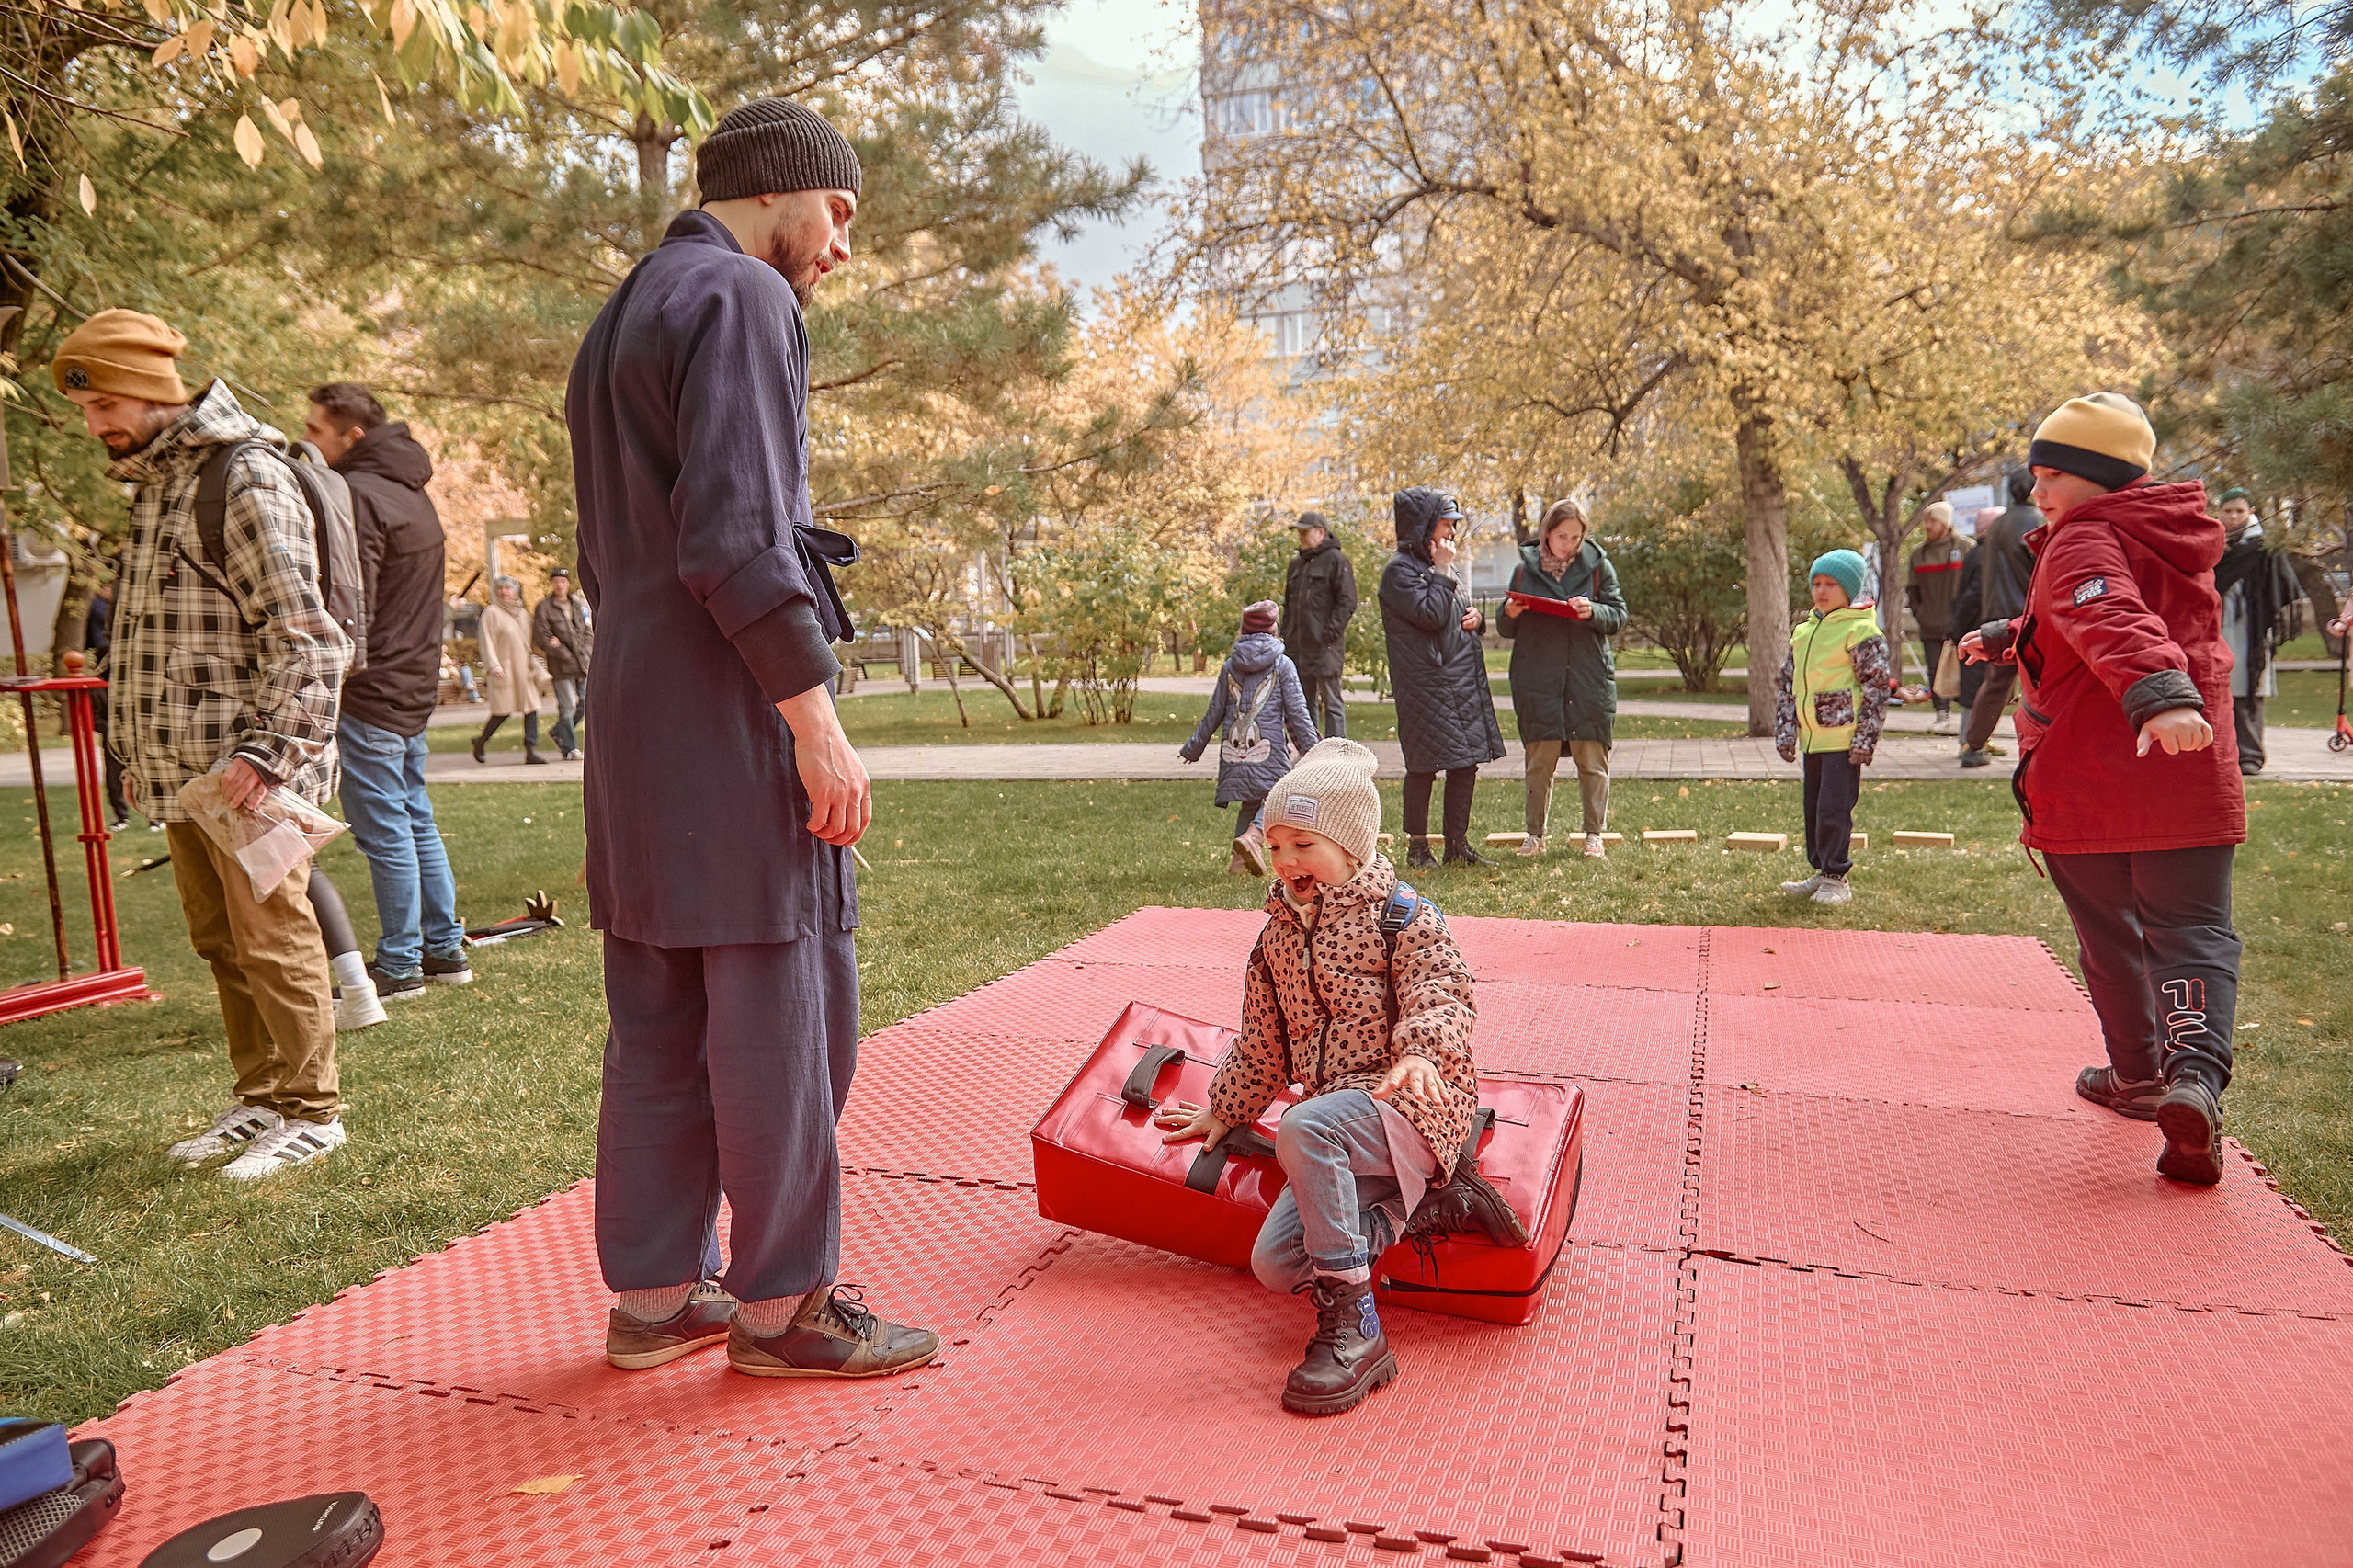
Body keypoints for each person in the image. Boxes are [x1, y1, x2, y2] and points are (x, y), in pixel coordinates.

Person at [568, 97, 936, 1378]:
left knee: (659, 1018)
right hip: (727, 718)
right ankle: (784, 1308)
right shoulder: (743, 300)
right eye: (837, 212)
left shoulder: (624, 310)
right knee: (782, 1012)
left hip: (630, 718)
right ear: (780, 187)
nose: (840, 246)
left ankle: (659, 1296)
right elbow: (736, 535)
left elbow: (618, 552)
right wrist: (817, 724)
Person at [54, 309, 353, 1178]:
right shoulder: (155, 484)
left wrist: (266, 758)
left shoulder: (246, 477)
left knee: (273, 938)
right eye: (86, 407)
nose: (96, 423)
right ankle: (261, 1097)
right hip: (184, 775)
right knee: (221, 942)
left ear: (151, 391)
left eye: (107, 401)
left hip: (248, 773)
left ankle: (312, 1111)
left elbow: (307, 637)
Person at [1152, 738, 1511, 1417]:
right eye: (1276, 845)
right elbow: (1264, 1039)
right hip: (1337, 1125)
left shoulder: (1402, 916)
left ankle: (1356, 1332)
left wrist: (1420, 1054)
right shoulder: (1276, 937)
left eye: (1303, 845)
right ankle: (1431, 1202)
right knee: (1278, 1265)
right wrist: (1224, 1108)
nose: (1286, 862)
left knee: (1306, 1123)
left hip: (1410, 1103)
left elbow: (1443, 991)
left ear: (1352, 848)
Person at [1960, 392, 2242, 1187]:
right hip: (2186, 773)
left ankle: (2140, 1076)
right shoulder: (2165, 530)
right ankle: (2192, 1078)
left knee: (2113, 939)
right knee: (2192, 932)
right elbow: (2084, 616)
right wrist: (2008, 636)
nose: (2038, 493)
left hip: (2093, 773)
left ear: (2103, 479)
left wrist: (2159, 691)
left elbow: (2107, 610)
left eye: (2052, 476)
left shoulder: (2083, 537)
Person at [303, 382, 475, 1002]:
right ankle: (445, 951)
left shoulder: (359, 494)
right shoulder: (411, 492)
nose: (307, 441)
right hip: (411, 680)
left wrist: (329, 674)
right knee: (414, 818)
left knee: (386, 830)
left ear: (352, 436)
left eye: (316, 430)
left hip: (375, 687)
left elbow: (354, 602)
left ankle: (400, 966)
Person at [1381, 488, 1505, 869]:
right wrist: (1444, 571)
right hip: (1425, 684)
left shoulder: (1438, 565)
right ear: (1423, 526)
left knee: (1465, 763)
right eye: (1446, 523)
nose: (1451, 531)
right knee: (1423, 765)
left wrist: (1477, 621)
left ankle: (1457, 844)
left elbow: (1455, 612)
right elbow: (1431, 615)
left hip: (1459, 680)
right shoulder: (1399, 572)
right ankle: (1418, 847)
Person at [1499, 497, 1627, 859]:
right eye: (1561, 536)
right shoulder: (1525, 570)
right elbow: (1506, 627)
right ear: (1546, 534)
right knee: (1539, 762)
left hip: (1588, 679)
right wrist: (1508, 611)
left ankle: (1594, 835)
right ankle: (1534, 836)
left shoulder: (1599, 567)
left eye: (1575, 537)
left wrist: (1593, 611)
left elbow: (1618, 614)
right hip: (1538, 680)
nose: (1568, 544)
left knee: (1592, 760)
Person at [1773, 550, 1892, 908]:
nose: (1821, 591)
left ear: (1850, 589)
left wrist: (1865, 739)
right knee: (1814, 807)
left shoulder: (1862, 631)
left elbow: (1876, 688)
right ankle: (1821, 869)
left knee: (1834, 808)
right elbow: (1787, 684)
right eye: (1817, 583)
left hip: (1843, 738)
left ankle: (1837, 877)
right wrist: (1786, 731)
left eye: (1832, 584)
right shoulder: (1803, 631)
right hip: (1813, 738)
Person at [1179, 600, 1320, 875]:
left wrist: (1193, 747)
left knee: (1251, 801)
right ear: (1274, 629)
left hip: (1234, 750)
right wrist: (1313, 750)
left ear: (1243, 629)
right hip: (1265, 749)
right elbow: (1296, 713)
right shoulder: (1283, 665)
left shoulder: (1231, 666)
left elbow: (1215, 711)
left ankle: (1238, 864)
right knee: (1280, 795)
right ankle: (1254, 836)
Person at [2211, 488, 2302, 777]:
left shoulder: (2264, 546)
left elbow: (2283, 584)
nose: (2234, 516)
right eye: (2228, 511)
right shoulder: (2211, 543)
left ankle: (2249, 755)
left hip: (2251, 628)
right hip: (2215, 625)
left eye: (2240, 511)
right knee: (2216, 688)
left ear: (2250, 511)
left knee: (2248, 688)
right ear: (2220, 512)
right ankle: (2218, 753)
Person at [1961, 470, 2039, 767]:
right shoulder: (2035, 522)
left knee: (1995, 685)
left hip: (1997, 612)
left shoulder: (1998, 524)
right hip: (2026, 614)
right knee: (2043, 682)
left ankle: (1974, 745)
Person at [1279, 511, 1358, 737]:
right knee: (1303, 705)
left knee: (1332, 703)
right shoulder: (1296, 565)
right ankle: (1310, 754)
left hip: (1326, 647)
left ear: (1321, 533)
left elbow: (1347, 601)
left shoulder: (1336, 560)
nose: (1301, 536)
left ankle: (1336, 756)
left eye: (1305, 532)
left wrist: (1329, 633)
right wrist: (1286, 634)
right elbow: (1289, 605)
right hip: (1299, 647)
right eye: (1299, 532)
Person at [1904, 500, 1972, 733]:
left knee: (1966, 668)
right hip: (1930, 624)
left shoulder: (1966, 548)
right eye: (1926, 521)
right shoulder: (1918, 554)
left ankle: (1968, 716)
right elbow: (1912, 591)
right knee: (1935, 670)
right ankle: (1941, 713)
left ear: (1944, 522)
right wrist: (1920, 614)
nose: (1928, 526)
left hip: (1962, 624)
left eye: (1932, 521)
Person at [471, 576, 546, 765]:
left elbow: (531, 641)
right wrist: (493, 665)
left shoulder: (523, 614)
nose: (505, 592)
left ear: (516, 591)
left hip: (524, 670)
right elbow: (486, 640)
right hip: (504, 669)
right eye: (501, 588)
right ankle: (481, 741)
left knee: (531, 709)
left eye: (508, 588)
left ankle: (531, 749)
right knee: (502, 711)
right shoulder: (492, 612)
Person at [81, 578, 131, 830]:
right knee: (114, 770)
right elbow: (93, 714)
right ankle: (121, 815)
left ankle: (153, 816)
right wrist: (106, 726)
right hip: (113, 729)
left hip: (132, 729)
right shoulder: (100, 685)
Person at [534, 567, 594, 760]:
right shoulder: (544, 607)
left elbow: (587, 631)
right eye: (556, 581)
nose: (560, 585)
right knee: (567, 706)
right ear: (552, 584)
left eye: (563, 581)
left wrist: (585, 651)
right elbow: (542, 636)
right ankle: (569, 748)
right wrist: (562, 652)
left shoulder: (577, 605)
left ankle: (558, 731)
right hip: (561, 665)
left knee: (585, 703)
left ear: (568, 584)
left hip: (581, 663)